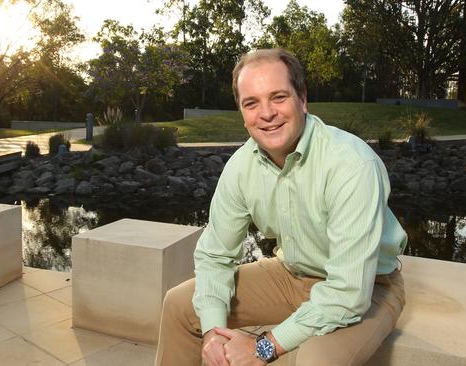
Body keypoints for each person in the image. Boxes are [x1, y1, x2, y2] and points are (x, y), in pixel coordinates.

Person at [155, 48, 407, 366]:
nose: (266, 113)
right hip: (290, 274)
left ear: (302, 99)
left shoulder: (351, 164)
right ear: (242, 113)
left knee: (317, 359)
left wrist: (264, 346)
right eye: (252, 103)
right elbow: (215, 256)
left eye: (278, 97)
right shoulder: (241, 167)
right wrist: (213, 334)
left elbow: (348, 293)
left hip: (369, 287)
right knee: (179, 306)